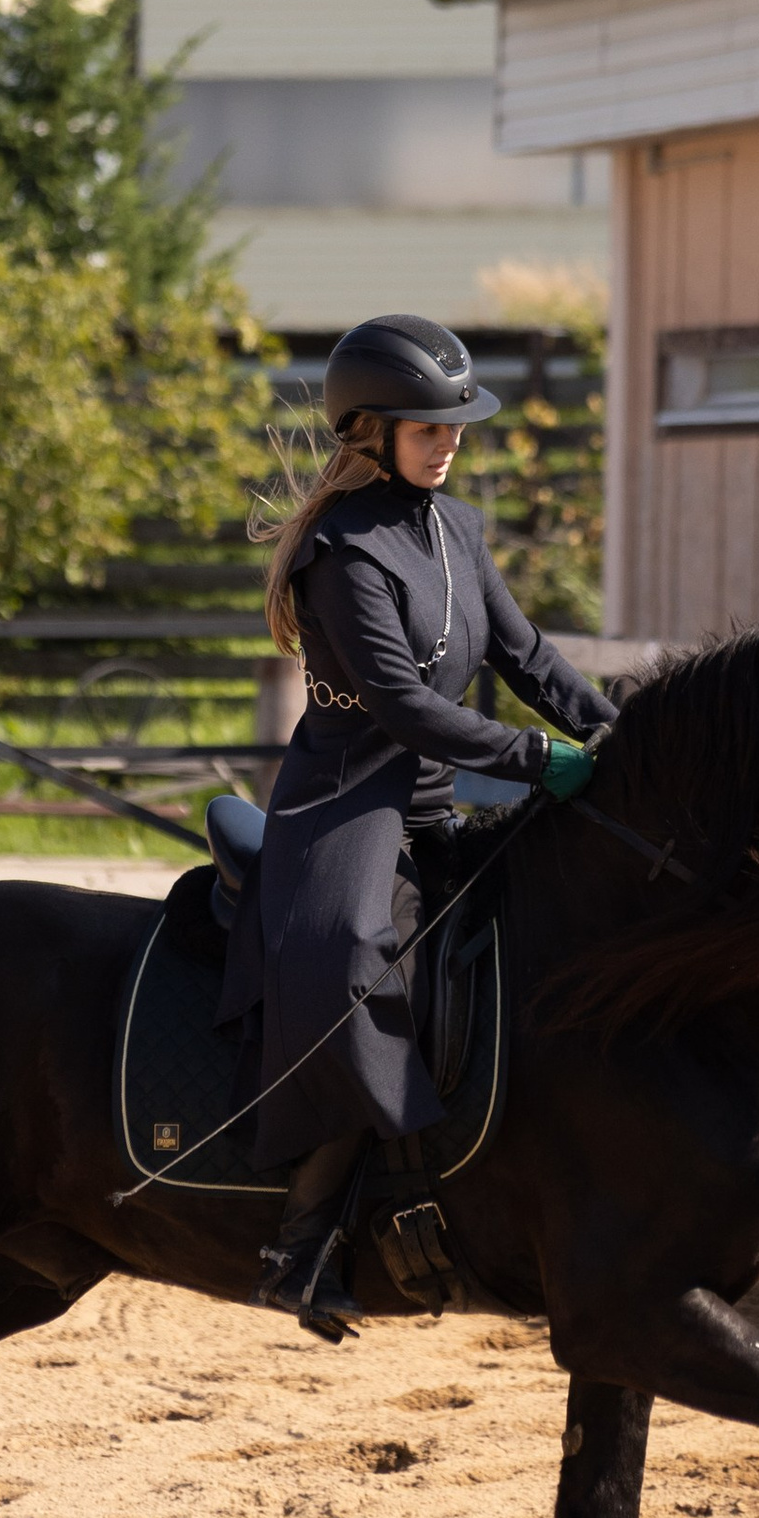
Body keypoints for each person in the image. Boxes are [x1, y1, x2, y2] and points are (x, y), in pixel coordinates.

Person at [219, 310, 612, 1337]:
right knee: (355, 959)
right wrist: (538, 760)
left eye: (455, 427)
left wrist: (618, 733)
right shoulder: (341, 554)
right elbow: (402, 706)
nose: (449, 443)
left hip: (434, 803)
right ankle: (299, 1246)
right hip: (348, 805)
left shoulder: (458, 526)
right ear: (368, 431)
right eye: (428, 428)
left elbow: (528, 658)